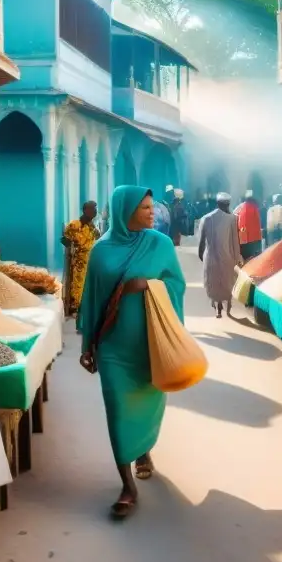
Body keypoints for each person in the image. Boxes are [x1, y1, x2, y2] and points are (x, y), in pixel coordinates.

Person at [77, 186, 186, 519]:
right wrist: (88, 346)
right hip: (113, 347)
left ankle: (144, 451)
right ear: (125, 211)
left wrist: (148, 284)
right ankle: (127, 485)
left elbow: (177, 284)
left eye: (152, 207)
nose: (152, 213)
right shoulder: (102, 251)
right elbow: (92, 299)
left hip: (150, 343)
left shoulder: (161, 244)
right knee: (118, 409)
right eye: (144, 208)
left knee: (147, 401)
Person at [199, 192, 243, 318]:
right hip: (227, 257)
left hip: (211, 257)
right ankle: (228, 303)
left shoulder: (206, 218)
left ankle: (218, 307)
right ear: (227, 204)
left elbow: (202, 242)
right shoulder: (232, 219)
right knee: (226, 282)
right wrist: (236, 257)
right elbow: (235, 241)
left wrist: (202, 256)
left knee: (214, 282)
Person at [61, 201, 100, 317]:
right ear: (85, 210)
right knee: (78, 284)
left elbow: (98, 236)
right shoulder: (74, 225)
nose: (95, 212)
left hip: (90, 260)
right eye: (93, 209)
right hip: (78, 261)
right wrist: (71, 248)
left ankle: (84, 306)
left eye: (96, 209)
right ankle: (77, 306)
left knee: (88, 284)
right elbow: (64, 239)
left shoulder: (92, 227)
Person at [237, 191, 263, 261]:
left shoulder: (241, 207)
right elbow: (258, 223)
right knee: (254, 259)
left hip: (243, 239)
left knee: (246, 259)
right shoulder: (255, 208)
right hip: (254, 239)